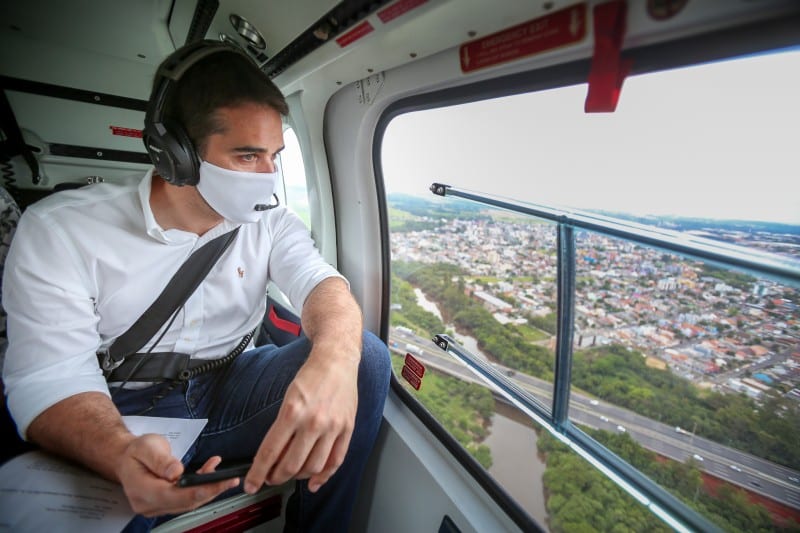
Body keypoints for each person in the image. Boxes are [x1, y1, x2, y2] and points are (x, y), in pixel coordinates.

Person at [2, 39, 391, 532]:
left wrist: (334, 363)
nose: (269, 178)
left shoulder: (271, 223)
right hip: (110, 405)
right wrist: (122, 456)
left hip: (224, 390)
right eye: (248, 157)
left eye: (274, 156)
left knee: (367, 359)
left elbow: (323, 285)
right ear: (177, 154)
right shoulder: (61, 229)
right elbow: (50, 379)